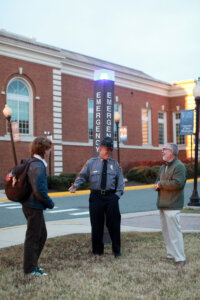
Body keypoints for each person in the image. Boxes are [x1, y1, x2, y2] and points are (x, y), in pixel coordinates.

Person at [69, 137, 125, 258]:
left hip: (111, 197)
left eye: (111, 150)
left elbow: (120, 182)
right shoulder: (91, 163)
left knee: (114, 224)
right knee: (96, 224)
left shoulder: (115, 165)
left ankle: (117, 251)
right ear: (100, 148)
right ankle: (97, 251)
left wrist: (117, 196)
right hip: (96, 197)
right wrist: (76, 185)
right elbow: (82, 176)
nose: (109, 152)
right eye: (107, 149)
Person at [22, 137, 55, 276]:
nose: (50, 151)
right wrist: (50, 203)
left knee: (40, 235)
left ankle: (32, 266)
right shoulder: (38, 166)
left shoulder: (31, 162)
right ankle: (30, 269)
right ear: (43, 149)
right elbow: (39, 191)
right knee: (34, 237)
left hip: (30, 204)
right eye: (48, 148)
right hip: (34, 206)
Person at [154, 143, 186, 268]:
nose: (162, 151)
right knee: (167, 232)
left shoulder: (179, 166)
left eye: (164, 149)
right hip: (163, 204)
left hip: (173, 205)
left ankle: (180, 258)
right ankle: (171, 255)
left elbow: (178, 184)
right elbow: (160, 181)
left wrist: (160, 184)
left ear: (172, 151)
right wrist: (157, 185)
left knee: (174, 233)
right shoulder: (163, 167)